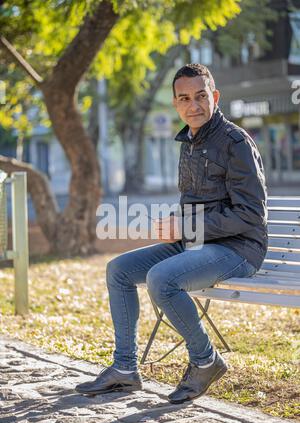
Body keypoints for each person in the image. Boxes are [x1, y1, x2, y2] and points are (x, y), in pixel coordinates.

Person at [75, 63, 268, 404]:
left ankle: (205, 360)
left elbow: (250, 214)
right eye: (184, 98)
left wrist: (188, 227)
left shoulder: (236, 142)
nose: (193, 105)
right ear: (176, 103)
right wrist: (175, 223)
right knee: (117, 270)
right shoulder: (189, 141)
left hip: (238, 248)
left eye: (201, 96)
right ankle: (124, 369)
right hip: (194, 242)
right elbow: (198, 202)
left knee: (161, 279)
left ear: (215, 96)